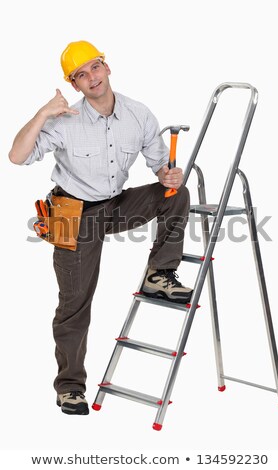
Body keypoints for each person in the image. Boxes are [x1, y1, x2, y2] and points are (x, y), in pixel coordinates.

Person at [9, 40, 192, 416]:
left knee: (176, 193)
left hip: (114, 203)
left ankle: (160, 274)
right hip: (70, 211)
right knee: (75, 304)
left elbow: (159, 167)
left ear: (106, 67)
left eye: (94, 67)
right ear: (74, 85)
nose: (91, 77)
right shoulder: (64, 121)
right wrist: (43, 114)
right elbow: (17, 156)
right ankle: (70, 387)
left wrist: (167, 174)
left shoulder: (139, 114)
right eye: (81, 75)